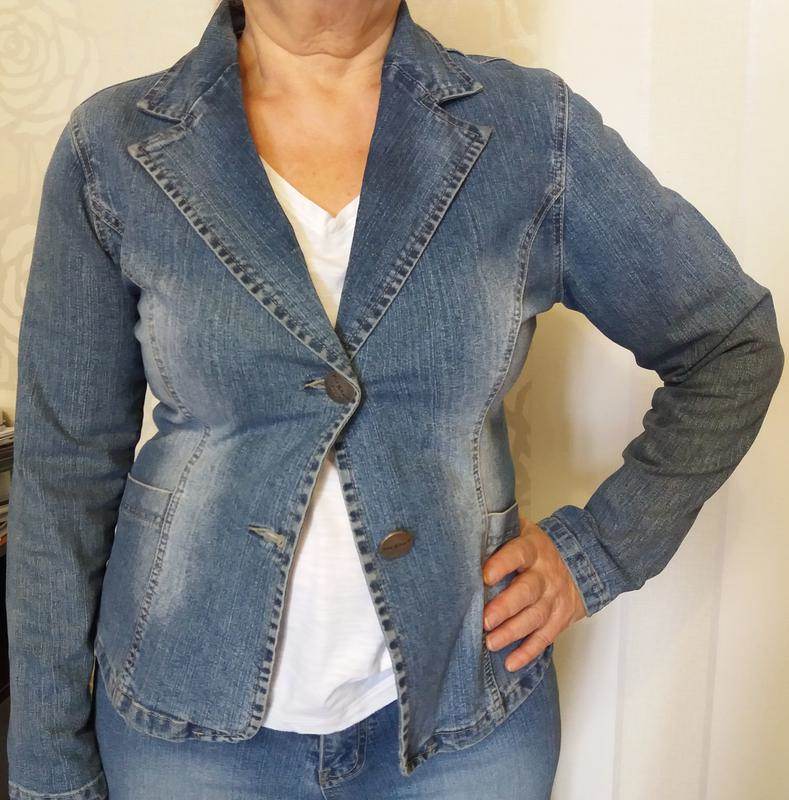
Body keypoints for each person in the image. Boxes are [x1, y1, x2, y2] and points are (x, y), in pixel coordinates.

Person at [6, 0, 783, 798]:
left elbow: (728, 342)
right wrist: (46, 767)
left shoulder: (530, 131)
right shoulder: (116, 144)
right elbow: (64, 472)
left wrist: (598, 553)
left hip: (465, 730)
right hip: (183, 726)